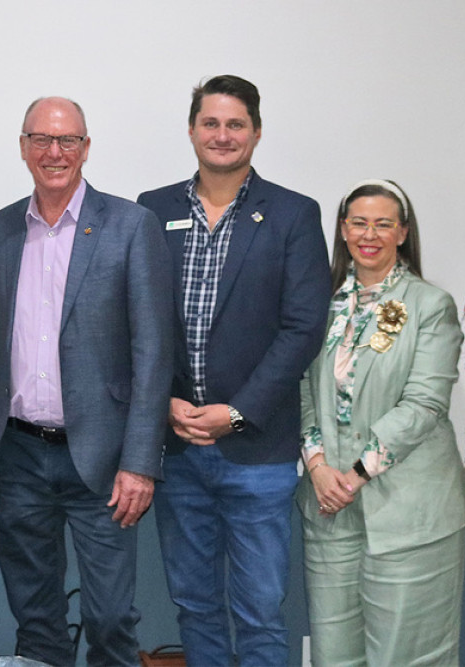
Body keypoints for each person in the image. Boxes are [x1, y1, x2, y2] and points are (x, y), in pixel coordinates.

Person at [0, 96, 172, 666]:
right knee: (35, 617)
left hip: (104, 461)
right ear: (23, 146)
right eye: (41, 140)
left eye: (68, 141)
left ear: (86, 147)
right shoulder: (0, 229)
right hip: (21, 454)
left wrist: (140, 461)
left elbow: (153, 353)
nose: (54, 153)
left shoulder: (130, 226)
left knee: (109, 621)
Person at [136, 75, 330, 665]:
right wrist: (163, 402)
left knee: (259, 611)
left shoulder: (294, 214)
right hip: (177, 446)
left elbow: (303, 329)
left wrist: (238, 412)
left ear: (257, 132)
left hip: (258, 453)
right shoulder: (151, 209)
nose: (223, 135)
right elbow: (138, 321)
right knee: (194, 604)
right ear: (192, 130)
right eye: (211, 123)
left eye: (236, 124)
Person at [298, 179, 465, 664]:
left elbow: (424, 404)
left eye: (383, 223)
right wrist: (317, 469)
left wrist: (354, 475)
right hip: (329, 509)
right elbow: (303, 393)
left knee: (407, 655)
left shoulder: (427, 306)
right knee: (334, 655)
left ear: (402, 232)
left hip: (409, 514)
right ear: (343, 229)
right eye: (358, 222)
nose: (369, 234)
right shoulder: (320, 306)